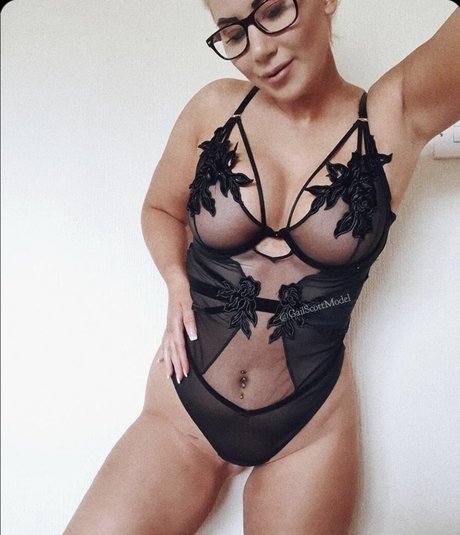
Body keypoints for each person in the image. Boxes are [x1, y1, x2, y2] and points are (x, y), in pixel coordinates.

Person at [64, 1, 460, 533]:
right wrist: (176, 282)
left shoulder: (394, 115)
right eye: (233, 34)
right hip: (181, 409)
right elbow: (160, 208)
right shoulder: (215, 109)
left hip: (308, 431)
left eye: (272, 11)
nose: (259, 50)